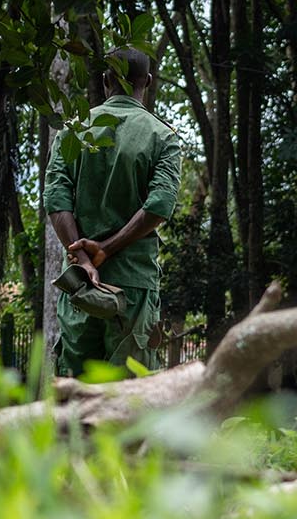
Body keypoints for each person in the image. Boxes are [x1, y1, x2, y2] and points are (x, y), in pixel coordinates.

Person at [43, 47, 186, 378]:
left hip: (81, 285)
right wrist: (107, 249)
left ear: (106, 80)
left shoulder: (73, 132)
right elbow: (159, 206)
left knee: (75, 393)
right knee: (129, 395)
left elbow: (56, 198)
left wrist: (83, 258)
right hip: (132, 287)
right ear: (147, 82)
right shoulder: (162, 137)